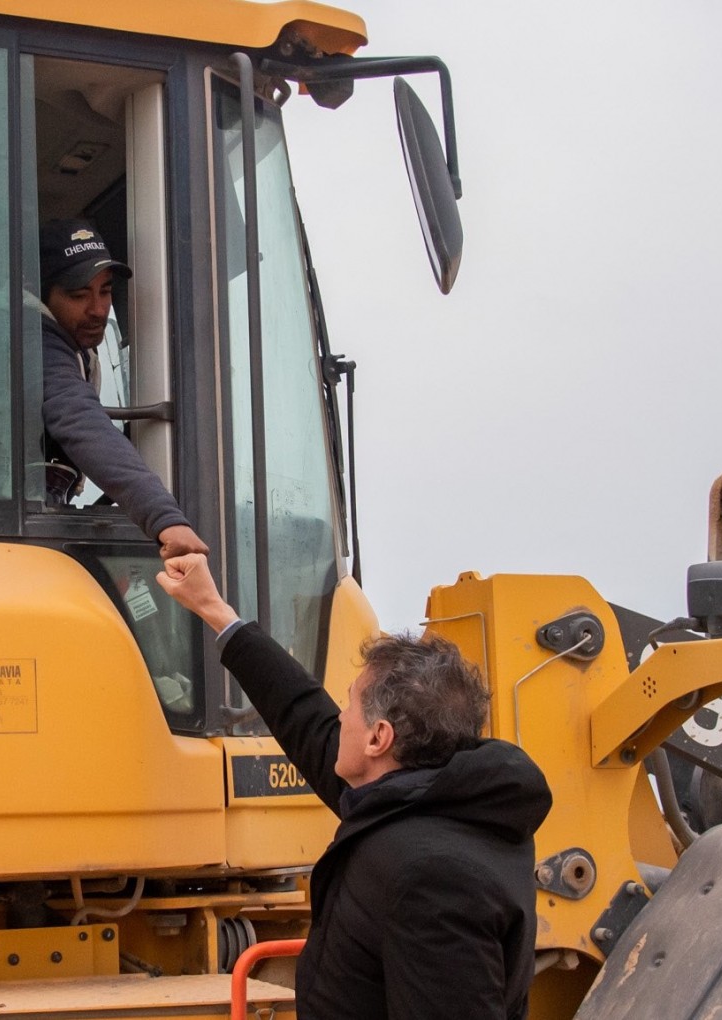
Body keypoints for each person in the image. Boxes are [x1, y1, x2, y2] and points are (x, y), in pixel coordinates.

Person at [155, 552, 552, 1020]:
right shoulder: (420, 805)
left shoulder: (428, 875)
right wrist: (215, 609)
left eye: (349, 705)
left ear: (379, 738)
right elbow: (305, 717)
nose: (340, 718)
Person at [39, 218, 206, 559]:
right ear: (43, 294)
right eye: (79, 295)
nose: (99, 310)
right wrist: (165, 519)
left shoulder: (72, 348)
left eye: (105, 291)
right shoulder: (34, 342)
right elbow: (77, 416)